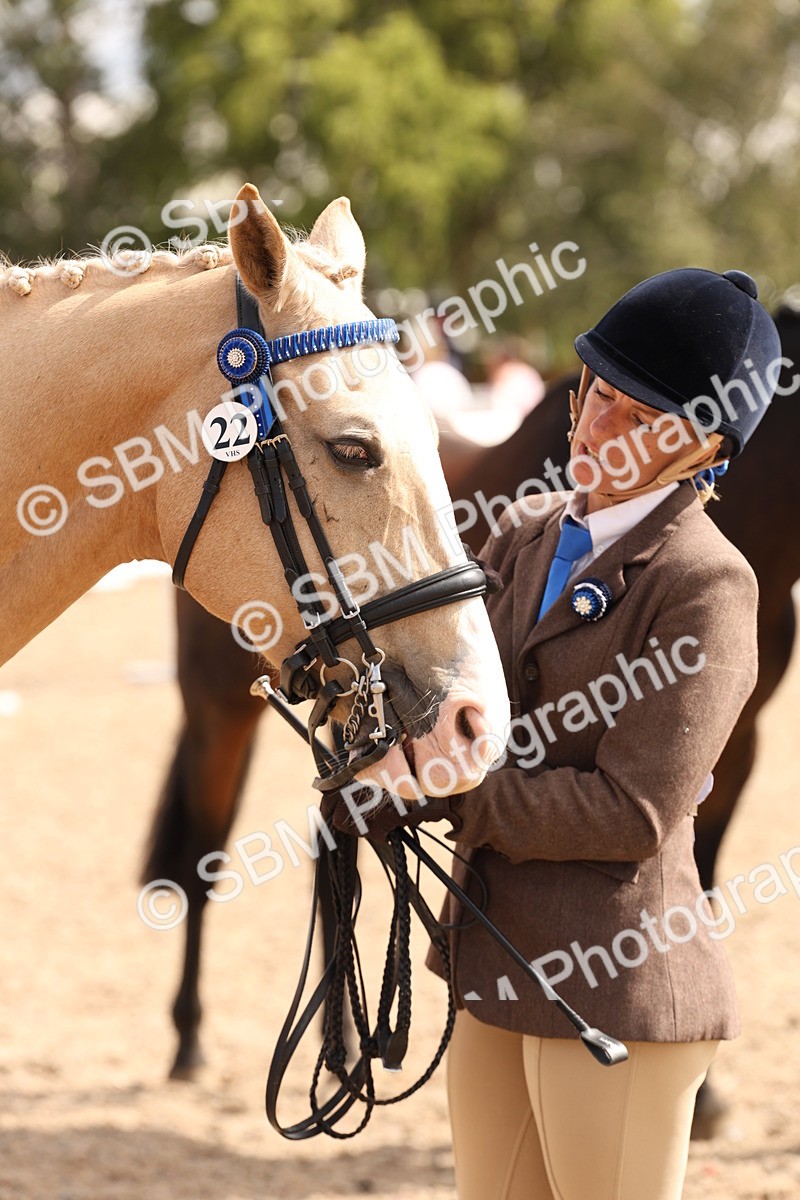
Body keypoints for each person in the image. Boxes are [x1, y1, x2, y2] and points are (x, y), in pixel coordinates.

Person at [333, 267, 782, 1199]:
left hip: (617, 983)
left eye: (637, 419)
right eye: (596, 398)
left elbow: (633, 811)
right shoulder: (524, 531)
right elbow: (453, 693)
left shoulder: (706, 583)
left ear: (699, 448)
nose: (597, 430)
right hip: (492, 960)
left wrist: (445, 788)